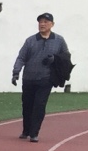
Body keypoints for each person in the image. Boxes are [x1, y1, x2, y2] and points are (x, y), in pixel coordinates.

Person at [12, 12, 71, 142]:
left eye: (45, 22)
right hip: (29, 78)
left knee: (39, 105)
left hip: (46, 79)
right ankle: (26, 130)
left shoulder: (59, 40)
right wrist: (16, 73)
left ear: (52, 24)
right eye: (40, 22)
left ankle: (34, 133)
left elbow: (66, 56)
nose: (42, 24)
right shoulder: (30, 40)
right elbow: (21, 57)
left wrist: (54, 59)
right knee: (27, 105)